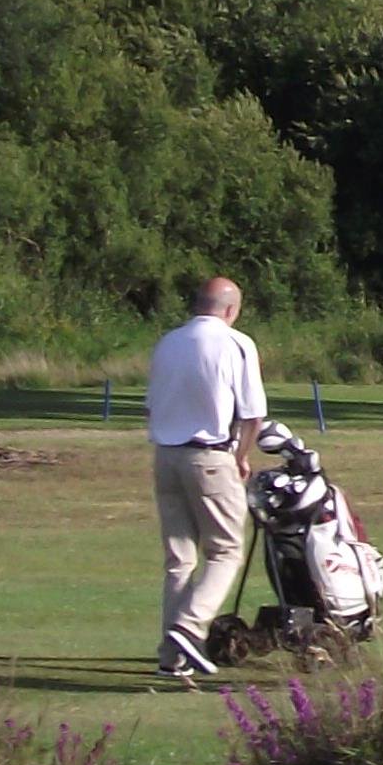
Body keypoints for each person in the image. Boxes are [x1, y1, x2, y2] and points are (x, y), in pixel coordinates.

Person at [144, 277, 266, 680]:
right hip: (210, 456)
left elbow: (151, 406)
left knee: (180, 559)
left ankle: (171, 656)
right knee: (225, 550)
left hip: (166, 456)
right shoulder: (236, 343)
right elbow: (252, 414)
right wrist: (243, 456)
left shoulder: (168, 342)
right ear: (230, 310)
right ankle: (190, 625)